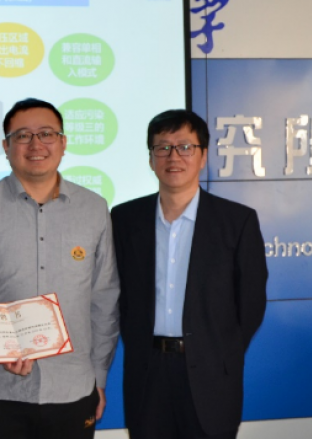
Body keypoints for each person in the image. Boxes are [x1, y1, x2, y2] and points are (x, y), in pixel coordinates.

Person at [0, 98, 121, 439]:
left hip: (72, 388)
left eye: (47, 134)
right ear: (6, 147)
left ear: (63, 143)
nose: (36, 144)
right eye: (23, 135)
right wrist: (3, 347)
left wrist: (98, 377)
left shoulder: (94, 208)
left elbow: (104, 299)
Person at [111, 110, 268, 439]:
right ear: (151, 158)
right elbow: (117, 296)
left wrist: (218, 351)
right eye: (162, 147)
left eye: (185, 147)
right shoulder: (125, 219)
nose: (173, 157)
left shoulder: (236, 221)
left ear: (203, 155)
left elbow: (251, 302)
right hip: (147, 373)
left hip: (211, 375)